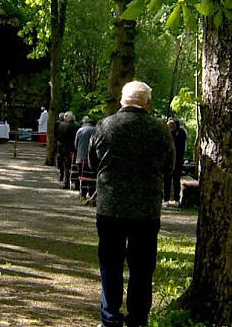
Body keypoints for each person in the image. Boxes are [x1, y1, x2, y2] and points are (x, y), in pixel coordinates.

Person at [88, 81, 175, 327]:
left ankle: (110, 318)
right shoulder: (160, 130)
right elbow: (169, 167)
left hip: (110, 207)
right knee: (142, 268)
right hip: (146, 210)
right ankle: (137, 319)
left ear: (122, 102)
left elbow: (94, 163)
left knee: (110, 264)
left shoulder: (104, 126)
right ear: (147, 103)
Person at [164, 118, 187, 206]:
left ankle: (177, 199)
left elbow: (181, 146)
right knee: (167, 180)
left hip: (177, 160)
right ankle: (166, 199)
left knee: (176, 180)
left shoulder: (180, 133)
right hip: (167, 160)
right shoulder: (166, 133)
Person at [56, 111, 79, 189]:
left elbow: (59, 138)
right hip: (74, 148)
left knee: (66, 166)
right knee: (75, 166)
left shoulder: (62, 126)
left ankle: (66, 183)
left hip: (64, 149)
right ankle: (76, 184)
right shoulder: (77, 126)